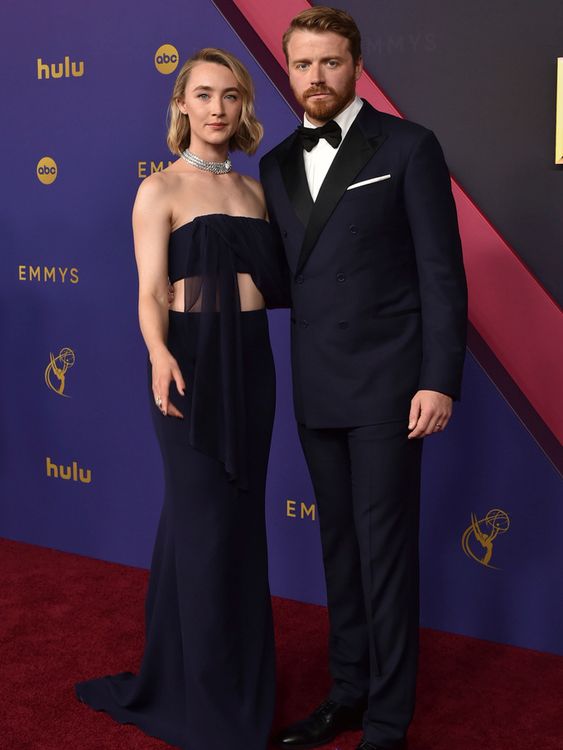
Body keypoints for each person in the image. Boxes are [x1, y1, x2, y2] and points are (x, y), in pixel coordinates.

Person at [259, 7, 467, 750]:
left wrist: (438, 379)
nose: (316, 77)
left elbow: (441, 276)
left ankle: (386, 718)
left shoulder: (407, 146)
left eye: (330, 63)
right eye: (303, 65)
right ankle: (346, 693)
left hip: (390, 386)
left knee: (384, 553)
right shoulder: (275, 163)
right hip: (316, 387)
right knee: (339, 551)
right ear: (288, 71)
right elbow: (285, 278)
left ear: (355, 67)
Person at [75, 48, 287, 750]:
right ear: (181, 106)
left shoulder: (257, 192)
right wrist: (160, 353)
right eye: (203, 94)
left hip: (251, 360)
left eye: (230, 94)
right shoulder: (159, 189)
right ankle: (202, 702)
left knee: (238, 525)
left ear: (243, 106)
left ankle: (233, 684)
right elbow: (147, 290)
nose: (217, 107)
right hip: (188, 360)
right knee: (202, 527)